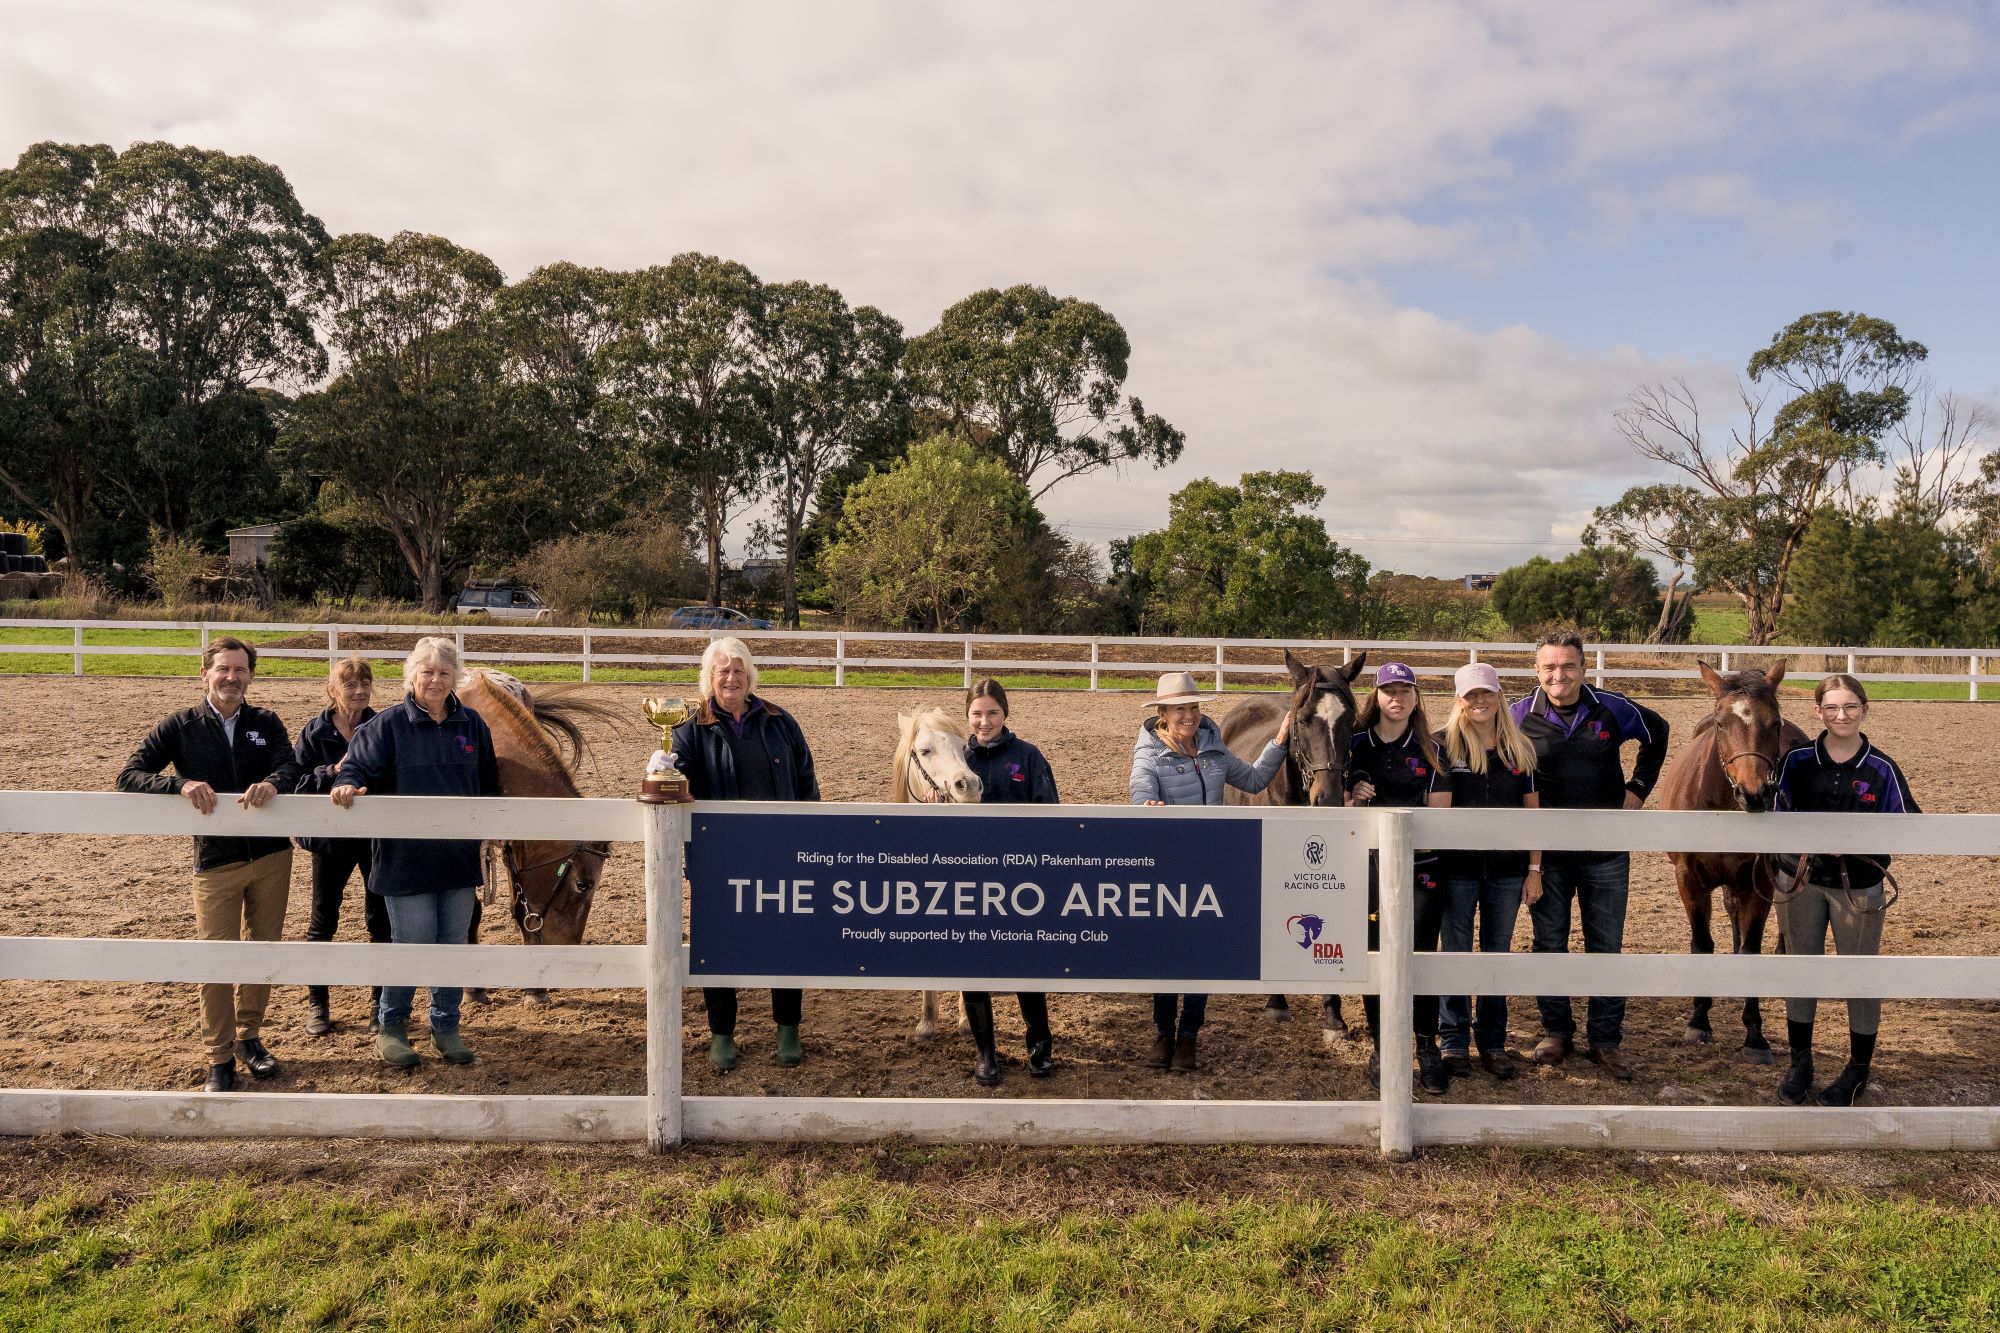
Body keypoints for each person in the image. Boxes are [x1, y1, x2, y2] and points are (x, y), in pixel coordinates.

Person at [117, 637, 301, 1093]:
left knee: (263, 952)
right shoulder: (180, 725)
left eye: (241, 670)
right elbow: (129, 774)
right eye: (223, 669)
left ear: (251, 676)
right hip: (215, 861)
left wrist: (273, 784)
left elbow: (290, 766)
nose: (232, 678)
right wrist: (177, 785)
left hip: (273, 857)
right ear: (205, 674)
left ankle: (250, 1038)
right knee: (215, 959)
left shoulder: (266, 721)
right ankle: (218, 1057)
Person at [331, 637, 499, 1069]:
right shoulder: (386, 726)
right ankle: (393, 1026)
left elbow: (487, 783)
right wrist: (346, 783)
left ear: (454, 678)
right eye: (427, 672)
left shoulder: (472, 726)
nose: (436, 680)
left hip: (458, 862)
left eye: (444, 672)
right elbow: (354, 766)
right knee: (411, 943)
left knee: (452, 945)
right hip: (405, 861)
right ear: (412, 677)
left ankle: (446, 1027)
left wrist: (497, 825)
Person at [1509, 628, 1668, 1082]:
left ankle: (1605, 1040)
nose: (1559, 674)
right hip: (1548, 856)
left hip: (1605, 852)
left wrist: (1638, 789)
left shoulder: (1612, 707)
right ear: (1537, 671)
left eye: (1568, 665)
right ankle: (1556, 1031)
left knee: (1606, 946)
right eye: (1550, 667)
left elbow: (1657, 731)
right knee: (1549, 943)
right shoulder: (1518, 714)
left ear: (1583, 668)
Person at [670, 636, 820, 1073]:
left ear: (750, 676)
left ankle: (788, 1029)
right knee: (719, 947)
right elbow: (677, 778)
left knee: (786, 943)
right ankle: (722, 1035)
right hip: (720, 858)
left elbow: (807, 784)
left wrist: (808, 840)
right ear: (709, 679)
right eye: (723, 671)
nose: (731, 678)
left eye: (738, 670)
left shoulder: (780, 722)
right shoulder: (688, 728)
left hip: (781, 855)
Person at [1128, 670, 1291, 1072]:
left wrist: (1280, 741)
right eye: (1180, 709)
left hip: (1209, 864)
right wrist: (1146, 805)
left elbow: (1254, 780)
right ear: (1163, 713)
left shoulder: (1214, 750)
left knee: (1200, 956)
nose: (1189, 715)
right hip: (1168, 865)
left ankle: (1188, 1037)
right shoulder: (1150, 753)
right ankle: (1163, 1032)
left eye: (1194, 707)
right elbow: (1140, 789)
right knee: (1167, 956)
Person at [1771, 674, 1918, 1107]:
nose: (1841, 715)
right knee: (1801, 969)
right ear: (1818, 712)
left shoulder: (1882, 768)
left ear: (1864, 710)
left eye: (1850, 706)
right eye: (1832, 707)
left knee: (1860, 974)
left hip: (1860, 888)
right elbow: (1776, 818)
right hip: (1801, 881)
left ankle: (1858, 1069)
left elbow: (1910, 823)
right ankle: (1801, 1061)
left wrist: (1858, 841)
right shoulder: (1796, 761)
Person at [1346, 663, 1452, 1095]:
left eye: (1405, 690)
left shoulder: (1433, 749)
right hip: (1368, 868)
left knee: (1420, 956)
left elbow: (1441, 812)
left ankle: (1426, 1046)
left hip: (1422, 869)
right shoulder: (1354, 746)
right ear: (1377, 696)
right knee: (1373, 953)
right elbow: (1338, 809)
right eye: (1389, 690)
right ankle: (1381, 1046)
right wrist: (1354, 797)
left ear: (1415, 697)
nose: (1397, 697)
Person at [1436, 662, 1543, 1082]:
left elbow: (1534, 816)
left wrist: (1534, 870)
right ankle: (1453, 1041)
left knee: (1497, 954)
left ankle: (1493, 1041)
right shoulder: (1443, 746)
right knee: (1456, 955)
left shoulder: (1520, 750)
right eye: (1470, 695)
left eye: (1486, 693)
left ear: (1499, 696)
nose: (1479, 701)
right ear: (1459, 700)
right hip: (1457, 870)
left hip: (1506, 870)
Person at [958, 678, 1059, 1085]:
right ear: (967, 717)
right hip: (968, 881)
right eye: (977, 714)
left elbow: (1051, 816)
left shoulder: (1029, 757)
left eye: (992, 713)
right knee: (973, 965)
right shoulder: (957, 759)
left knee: (1024, 963)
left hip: (1019, 883)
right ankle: (986, 1052)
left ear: (1006, 713)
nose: (984, 721)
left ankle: (1039, 1045)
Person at [292, 654, 389, 1036]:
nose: (360, 691)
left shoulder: (383, 727)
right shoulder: (315, 733)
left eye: (365, 684)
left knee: (379, 921)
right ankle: (317, 1003)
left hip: (373, 840)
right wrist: (333, 770)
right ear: (333, 690)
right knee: (323, 920)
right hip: (330, 842)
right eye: (350, 684)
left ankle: (379, 1005)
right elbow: (295, 783)